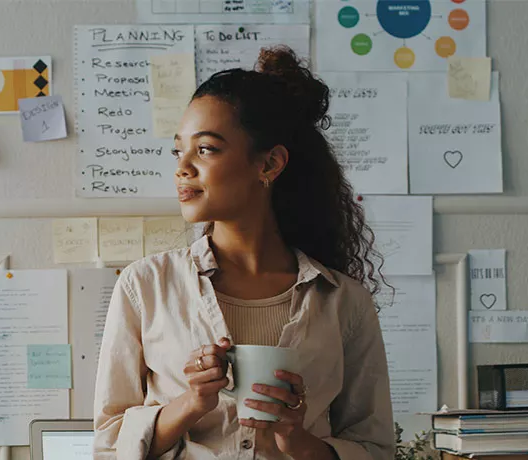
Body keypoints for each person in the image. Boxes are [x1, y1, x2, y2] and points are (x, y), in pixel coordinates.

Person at [92, 46, 394, 460]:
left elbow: (375, 450)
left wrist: (296, 439)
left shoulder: (345, 302)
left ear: (269, 164)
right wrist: (191, 404)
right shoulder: (144, 285)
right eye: (178, 150)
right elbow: (109, 445)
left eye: (206, 149)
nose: (182, 167)